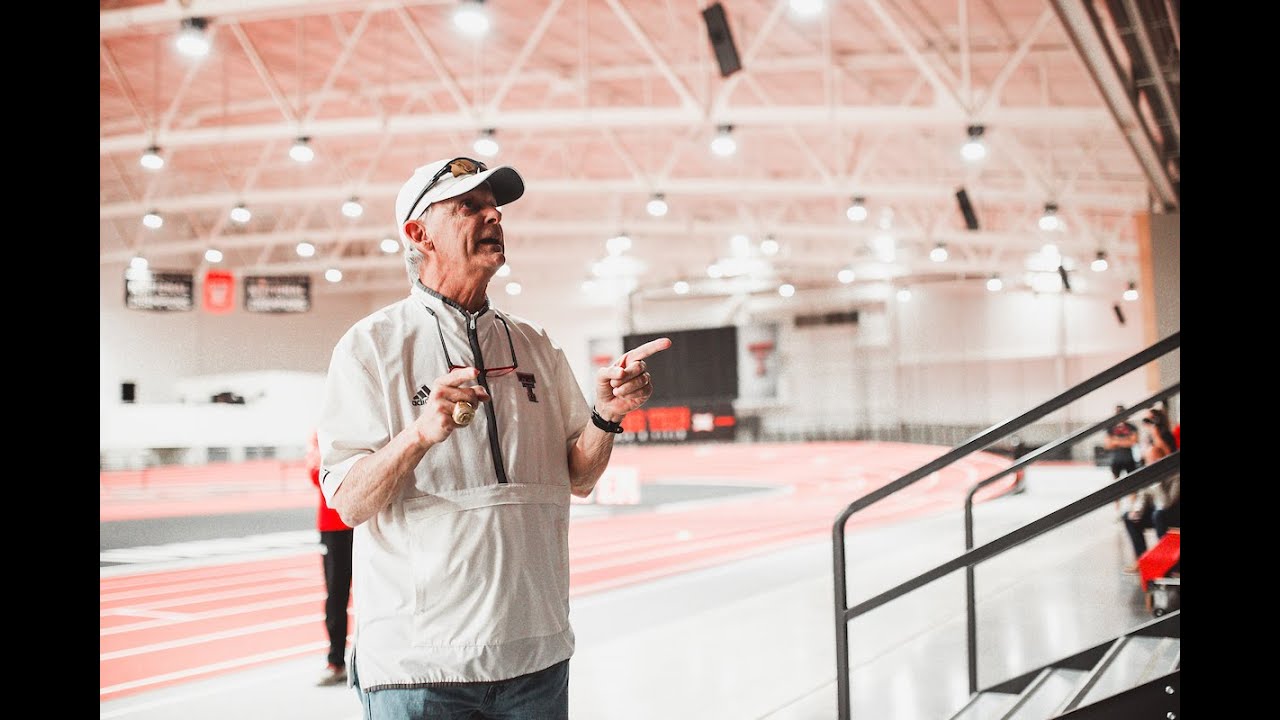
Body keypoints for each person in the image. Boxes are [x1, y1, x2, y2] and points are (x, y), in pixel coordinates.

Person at [316, 155, 671, 719]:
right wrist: (419, 435)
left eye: (495, 206)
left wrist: (606, 416)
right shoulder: (371, 347)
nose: (493, 216)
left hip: (538, 659)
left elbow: (579, 478)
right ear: (418, 233)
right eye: (470, 206)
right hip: (421, 671)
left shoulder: (535, 345)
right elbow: (350, 502)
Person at [308, 430, 354, 687]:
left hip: (366, 518)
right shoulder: (320, 432)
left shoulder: (359, 420)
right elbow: (316, 474)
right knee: (336, 595)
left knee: (381, 588)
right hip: (332, 525)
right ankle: (336, 662)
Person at [1120, 406, 1180, 573]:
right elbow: (1144, 493)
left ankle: (1166, 562)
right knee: (1129, 517)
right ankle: (1142, 560)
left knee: (1159, 514)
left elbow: (1166, 503)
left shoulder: (1174, 473)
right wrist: (1137, 510)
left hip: (1171, 507)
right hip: (1159, 505)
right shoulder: (1151, 446)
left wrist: (1157, 481)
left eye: (1149, 421)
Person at [1102, 405, 1139, 480]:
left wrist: (1116, 440)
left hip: (1129, 459)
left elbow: (1133, 442)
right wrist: (1126, 440)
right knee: (1116, 483)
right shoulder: (1110, 428)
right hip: (1115, 459)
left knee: (1133, 482)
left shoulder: (1132, 427)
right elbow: (1108, 445)